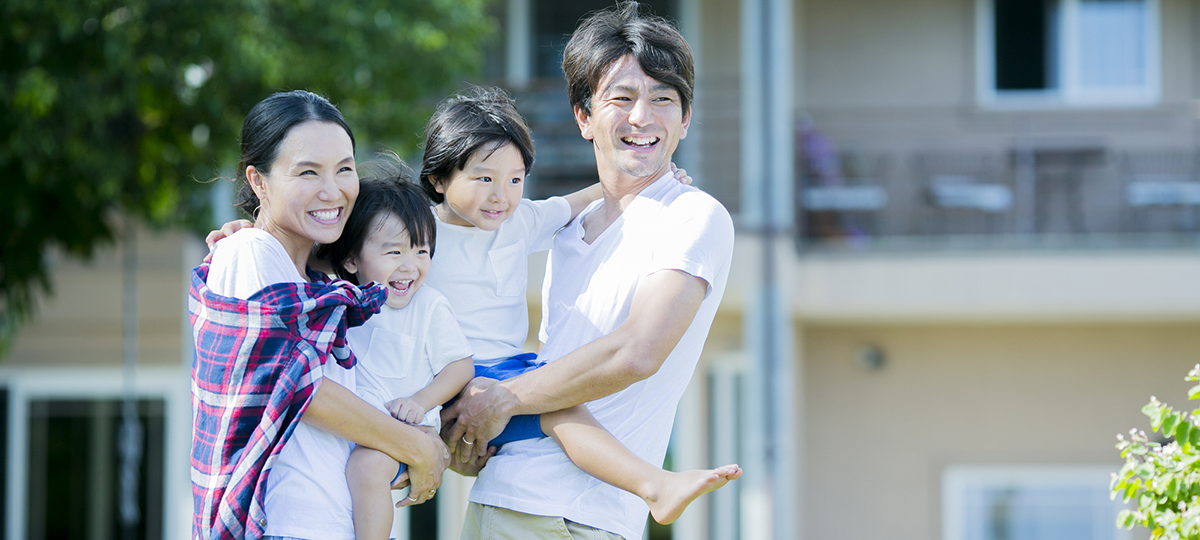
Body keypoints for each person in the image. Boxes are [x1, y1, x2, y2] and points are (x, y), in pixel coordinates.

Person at [442, 3, 739, 539]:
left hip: (579, 520)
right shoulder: (567, 230)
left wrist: (502, 399)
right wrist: (475, 430)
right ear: (583, 116)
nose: (641, 117)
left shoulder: (693, 215)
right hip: (497, 498)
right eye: (621, 99)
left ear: (685, 117)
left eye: (663, 100)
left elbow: (636, 351)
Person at [190, 90, 448, 540]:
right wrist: (413, 446)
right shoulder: (250, 250)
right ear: (259, 181)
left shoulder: (322, 290)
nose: (334, 190)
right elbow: (297, 387)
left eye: (345, 169)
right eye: (308, 172)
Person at [324, 171, 476, 540]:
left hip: (410, 427)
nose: (410, 265)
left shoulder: (427, 306)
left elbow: (460, 366)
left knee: (368, 466)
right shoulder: (336, 299)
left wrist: (420, 402)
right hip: (355, 428)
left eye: (421, 251)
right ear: (351, 260)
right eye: (394, 251)